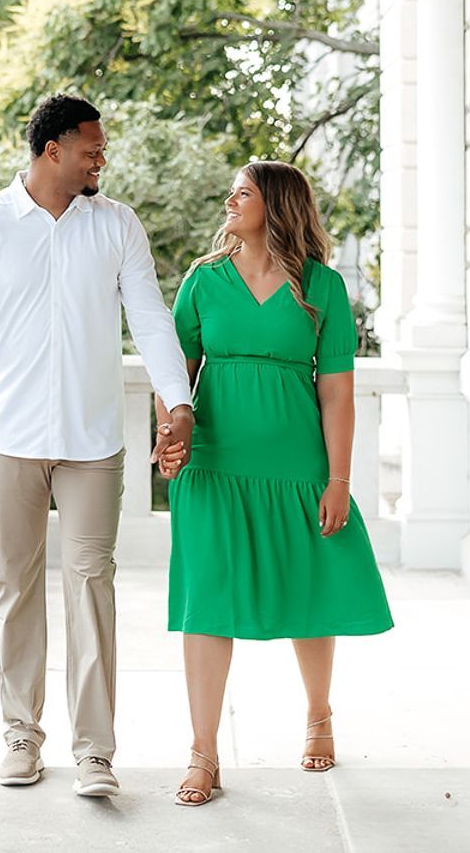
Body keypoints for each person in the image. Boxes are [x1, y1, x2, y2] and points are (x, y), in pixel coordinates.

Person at [0, 93, 197, 798]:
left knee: (92, 586)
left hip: (93, 440)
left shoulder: (117, 225)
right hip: (12, 437)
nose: (101, 157)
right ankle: (21, 734)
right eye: (91, 147)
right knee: (15, 587)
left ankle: (95, 753)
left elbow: (149, 318)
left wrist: (178, 402)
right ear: (51, 150)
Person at [152, 160, 394, 807]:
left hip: (297, 466)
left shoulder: (323, 286)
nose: (230, 200)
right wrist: (170, 436)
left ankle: (318, 715)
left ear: (278, 204)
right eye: (231, 190)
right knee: (206, 600)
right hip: (213, 465)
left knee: (309, 589)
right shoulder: (203, 282)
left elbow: (338, 392)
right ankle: (203, 752)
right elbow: (173, 372)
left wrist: (338, 478)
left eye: (244, 192)